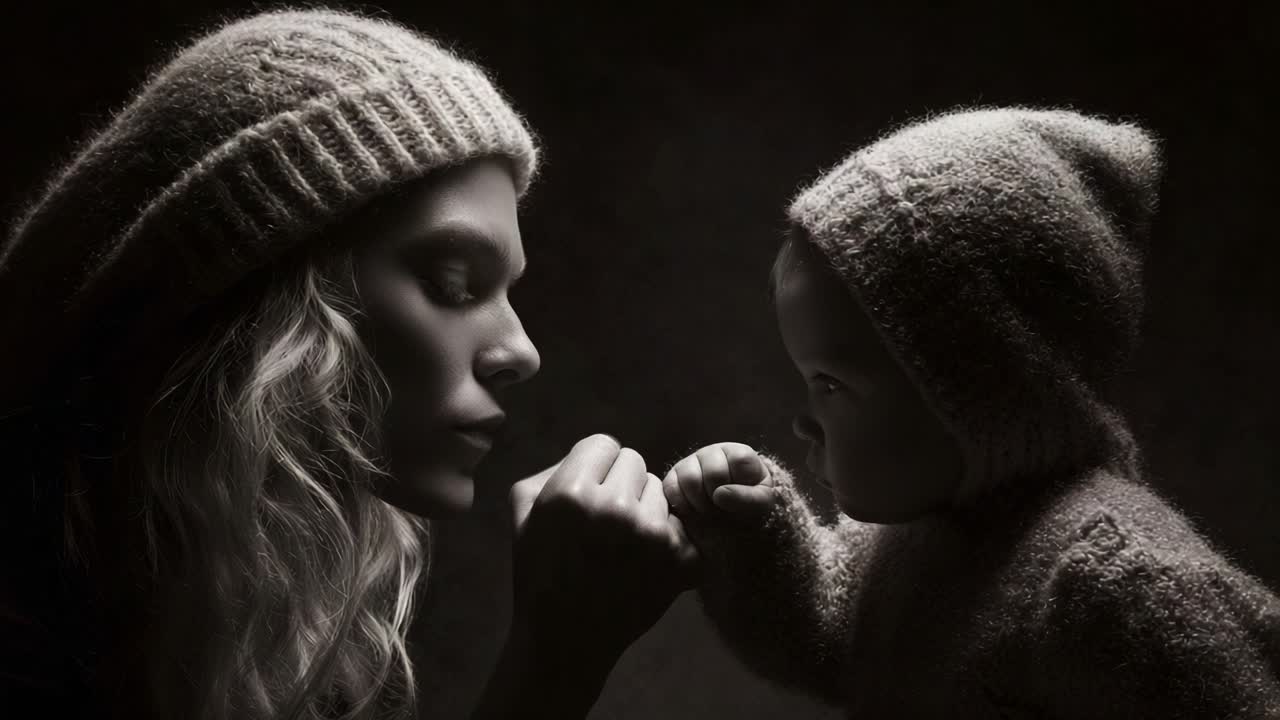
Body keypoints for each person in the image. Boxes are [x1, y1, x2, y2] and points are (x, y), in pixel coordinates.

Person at [0, 9, 692, 719]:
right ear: (269, 315)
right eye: (455, 284)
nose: (520, 351)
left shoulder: (272, 640)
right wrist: (555, 659)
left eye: (506, 290)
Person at [663, 108, 1280, 718]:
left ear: (974, 386)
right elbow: (826, 640)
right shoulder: (912, 539)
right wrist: (755, 543)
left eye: (829, 384)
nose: (803, 421)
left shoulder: (1118, 581)